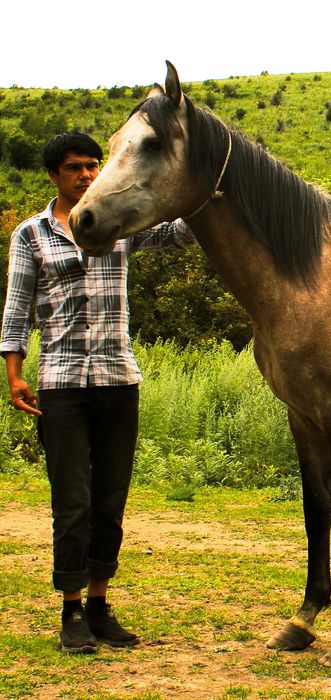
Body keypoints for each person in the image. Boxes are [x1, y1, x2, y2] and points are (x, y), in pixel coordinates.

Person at [1, 131, 194, 654]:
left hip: (118, 380)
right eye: (74, 168)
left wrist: (203, 184)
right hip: (61, 386)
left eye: (92, 165)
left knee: (110, 502)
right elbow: (16, 309)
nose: (86, 175)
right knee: (72, 503)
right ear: (53, 175)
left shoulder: (117, 225)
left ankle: (100, 606)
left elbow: (179, 233)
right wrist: (15, 375)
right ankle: (70, 612)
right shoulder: (31, 235)